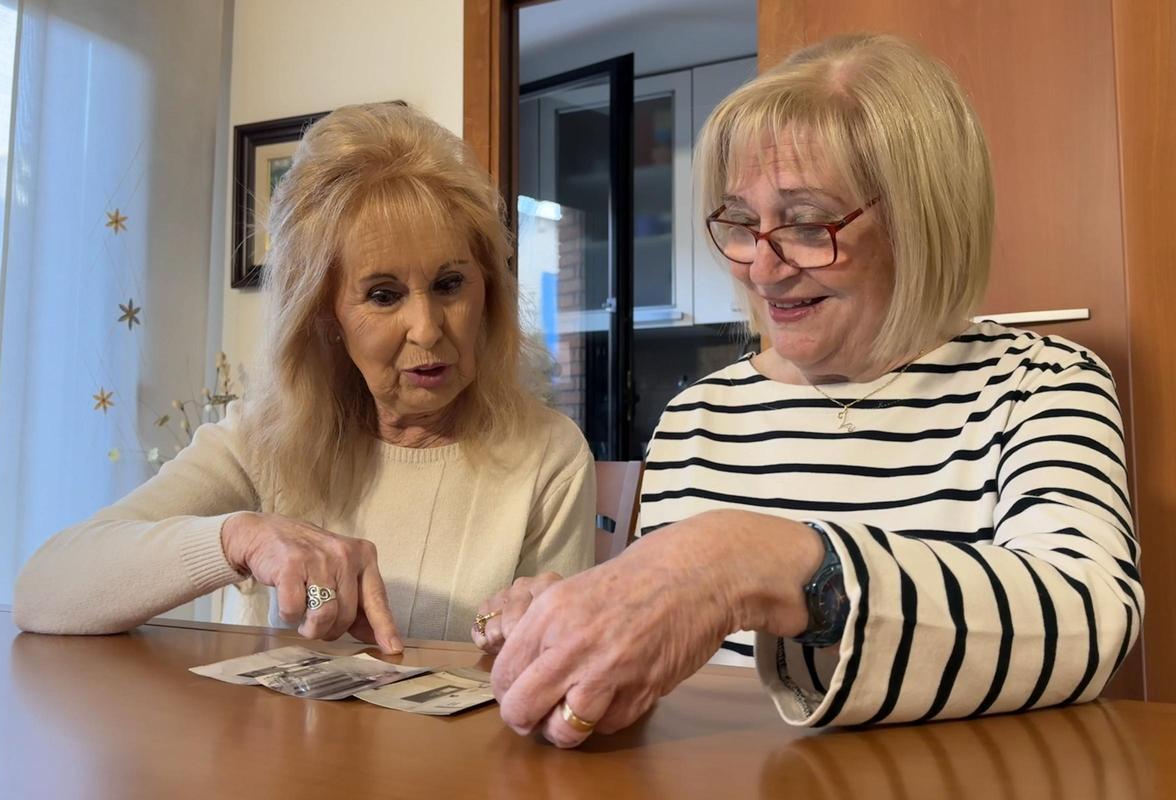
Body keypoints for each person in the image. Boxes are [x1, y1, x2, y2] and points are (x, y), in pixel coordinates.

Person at [474, 33, 1141, 747]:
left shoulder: (1042, 385)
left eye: (804, 222)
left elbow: (1087, 621)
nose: (761, 269)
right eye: (739, 221)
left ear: (923, 221)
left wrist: (755, 563)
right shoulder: (699, 416)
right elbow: (671, 677)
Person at [13, 103, 595, 649]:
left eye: (450, 285)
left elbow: (556, 678)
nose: (426, 329)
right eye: (383, 295)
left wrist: (534, 635)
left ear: (488, 287)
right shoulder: (263, 439)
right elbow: (44, 588)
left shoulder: (548, 455)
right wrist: (241, 539)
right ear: (326, 317)